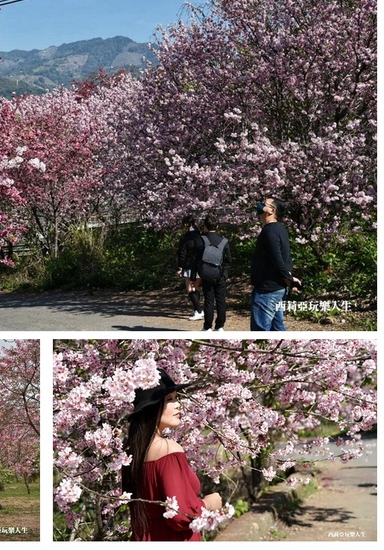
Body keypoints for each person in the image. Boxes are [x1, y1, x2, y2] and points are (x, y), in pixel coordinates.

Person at [121, 369, 221, 541]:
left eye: (176, 398)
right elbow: (180, 514)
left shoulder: (132, 452)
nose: (178, 405)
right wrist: (209, 504)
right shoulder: (168, 450)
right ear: (152, 408)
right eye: (169, 400)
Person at [250, 197, 301, 331]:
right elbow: (286, 258)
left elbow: (277, 259)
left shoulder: (270, 231)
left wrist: (289, 278)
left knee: (260, 331)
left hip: (267, 290)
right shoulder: (279, 229)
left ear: (271, 210)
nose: (260, 205)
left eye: (264, 204)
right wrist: (289, 279)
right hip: (277, 289)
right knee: (277, 329)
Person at [197, 215, 231, 332]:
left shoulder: (201, 240)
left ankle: (207, 326)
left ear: (205, 226)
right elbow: (229, 260)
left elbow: (196, 258)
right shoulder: (224, 241)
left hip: (206, 274)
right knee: (221, 300)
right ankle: (220, 326)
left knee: (209, 300)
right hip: (220, 274)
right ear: (217, 225)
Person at [175, 216, 204, 321]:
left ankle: (199, 311)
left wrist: (180, 267)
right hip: (200, 265)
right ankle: (196, 309)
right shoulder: (200, 236)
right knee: (195, 288)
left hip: (189, 265)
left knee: (189, 289)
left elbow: (182, 253)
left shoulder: (185, 237)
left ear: (186, 224)